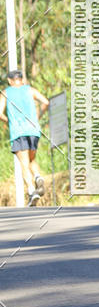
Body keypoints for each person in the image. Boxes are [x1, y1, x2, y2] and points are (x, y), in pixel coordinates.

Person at [0, 69, 49, 206]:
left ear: (10, 81)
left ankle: (32, 191)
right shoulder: (30, 90)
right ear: (21, 79)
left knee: (24, 163)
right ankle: (38, 177)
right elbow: (45, 102)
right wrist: (37, 117)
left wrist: (9, 121)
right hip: (34, 130)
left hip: (18, 131)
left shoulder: (6, 92)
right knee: (31, 159)